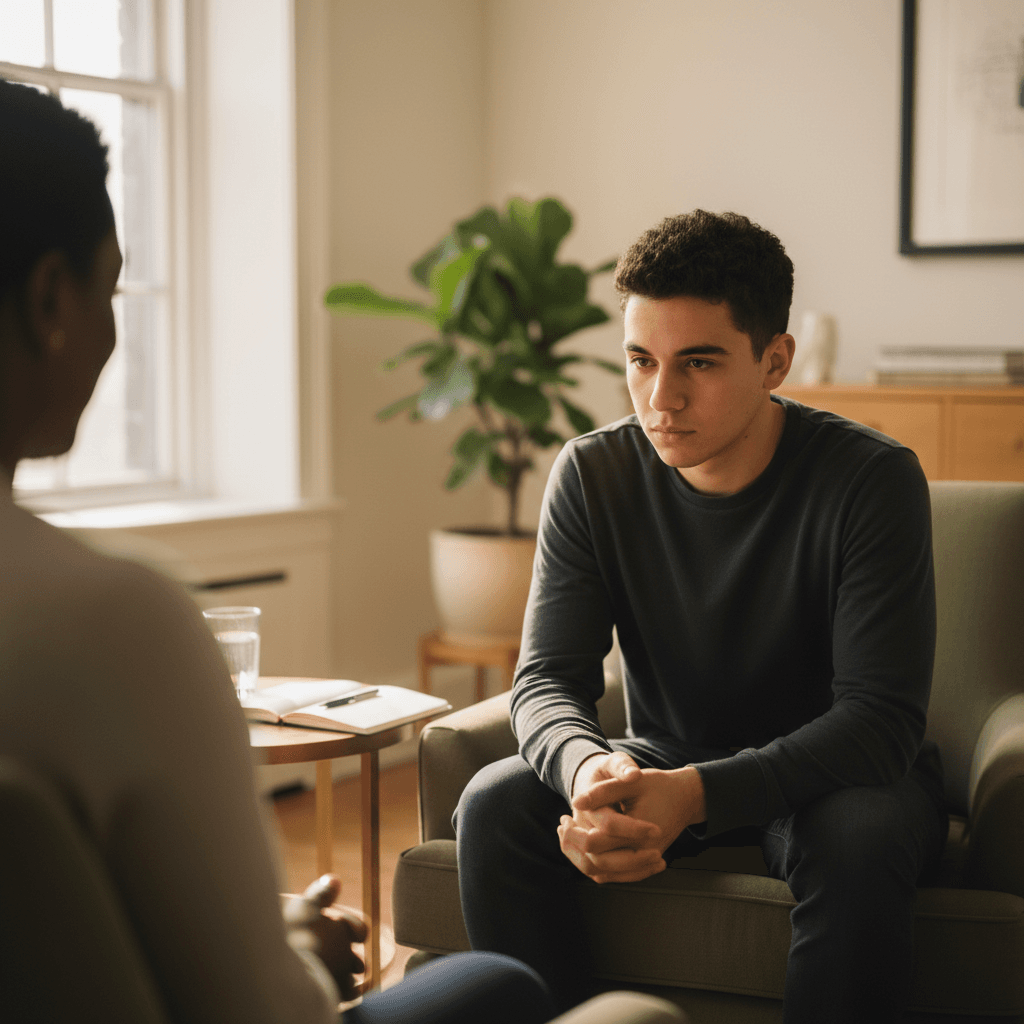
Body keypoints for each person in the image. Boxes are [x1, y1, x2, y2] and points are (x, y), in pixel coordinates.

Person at [0, 77, 563, 1024]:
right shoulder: (113, 624)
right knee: (499, 985)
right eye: (112, 287)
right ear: (52, 297)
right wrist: (297, 956)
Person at [455, 210, 950, 1023]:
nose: (662, 398)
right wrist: (586, 771)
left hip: (836, 777)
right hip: (663, 753)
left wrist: (697, 794)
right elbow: (545, 680)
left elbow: (880, 720)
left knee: (859, 835)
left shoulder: (872, 479)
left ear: (774, 360)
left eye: (699, 362)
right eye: (640, 361)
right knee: (495, 804)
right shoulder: (591, 473)